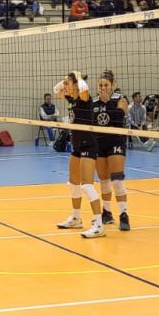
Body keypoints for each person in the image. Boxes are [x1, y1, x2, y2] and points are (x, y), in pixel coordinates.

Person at [54, 71, 105, 238]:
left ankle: (98, 224)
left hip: (88, 145)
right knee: (73, 183)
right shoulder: (72, 100)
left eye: (67, 84)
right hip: (76, 145)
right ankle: (76, 218)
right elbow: (56, 90)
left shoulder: (85, 98)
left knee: (86, 185)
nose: (65, 87)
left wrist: (78, 77)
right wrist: (66, 81)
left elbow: (83, 88)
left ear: (76, 85)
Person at [92, 71, 130, 231]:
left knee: (117, 179)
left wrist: (107, 103)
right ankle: (106, 212)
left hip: (116, 141)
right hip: (99, 143)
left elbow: (119, 116)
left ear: (112, 85)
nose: (103, 88)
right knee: (103, 180)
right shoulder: (93, 102)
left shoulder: (120, 99)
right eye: (100, 85)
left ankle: (124, 215)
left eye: (106, 85)